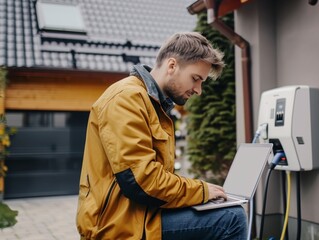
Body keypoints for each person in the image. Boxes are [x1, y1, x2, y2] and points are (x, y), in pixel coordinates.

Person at [76, 32, 248, 240]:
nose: (198, 90)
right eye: (195, 79)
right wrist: (200, 191)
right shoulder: (126, 99)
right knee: (230, 218)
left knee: (217, 211)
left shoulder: (155, 105)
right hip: (118, 224)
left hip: (143, 213)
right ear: (172, 65)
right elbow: (142, 181)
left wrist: (200, 195)